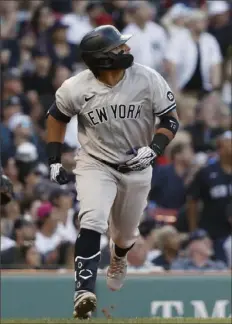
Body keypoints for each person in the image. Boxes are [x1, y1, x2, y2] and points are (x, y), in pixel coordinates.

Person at [46, 25, 179, 319]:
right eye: (118, 48)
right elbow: (56, 117)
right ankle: (84, 290)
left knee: (125, 233)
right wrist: (54, 160)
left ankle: (118, 256)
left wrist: (154, 149)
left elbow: (170, 119)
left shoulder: (146, 77)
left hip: (137, 166)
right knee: (91, 218)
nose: (126, 50)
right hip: (96, 163)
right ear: (102, 59)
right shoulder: (75, 87)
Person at [187, 131, 232, 263]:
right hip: (213, 234)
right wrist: (193, 230)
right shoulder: (206, 172)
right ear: (220, 148)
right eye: (228, 144)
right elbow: (192, 201)